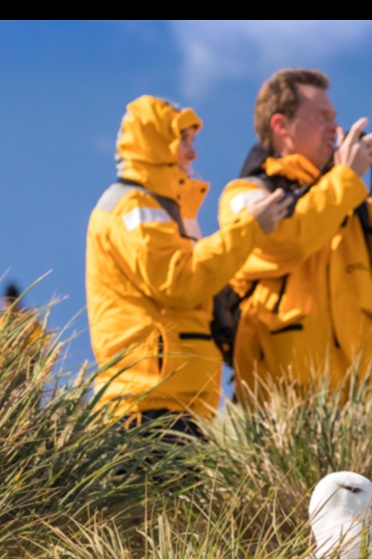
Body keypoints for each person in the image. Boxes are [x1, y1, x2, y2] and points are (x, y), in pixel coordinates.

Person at [217, 68, 372, 405]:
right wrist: (345, 179)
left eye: (335, 118)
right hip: (285, 411)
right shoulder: (246, 193)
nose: (335, 130)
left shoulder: (348, 202)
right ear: (281, 126)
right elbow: (282, 244)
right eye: (321, 117)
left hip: (371, 407)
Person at [86, 95, 289, 434]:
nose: (193, 154)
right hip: (147, 412)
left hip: (173, 409)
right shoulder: (132, 206)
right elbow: (180, 281)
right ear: (154, 143)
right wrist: (250, 228)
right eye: (182, 140)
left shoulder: (163, 212)